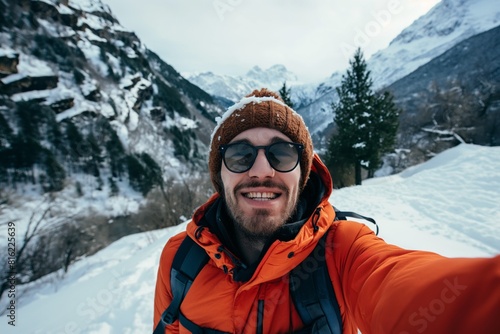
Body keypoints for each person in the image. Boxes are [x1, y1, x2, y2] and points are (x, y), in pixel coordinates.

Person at [153, 88, 500, 333]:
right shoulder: (180, 260)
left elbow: (413, 290)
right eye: (240, 155)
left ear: (303, 174)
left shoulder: (343, 250)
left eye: (283, 154)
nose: (261, 170)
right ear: (220, 175)